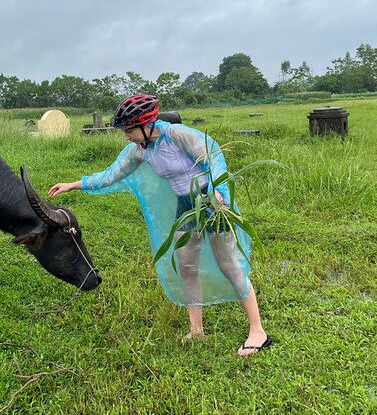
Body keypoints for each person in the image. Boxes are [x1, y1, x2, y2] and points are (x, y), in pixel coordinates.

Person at [49, 94, 271, 355]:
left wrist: (219, 190)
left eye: (129, 130)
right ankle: (196, 330)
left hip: (211, 202)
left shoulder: (177, 135)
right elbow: (111, 175)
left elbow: (214, 156)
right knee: (187, 267)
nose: (126, 137)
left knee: (229, 265)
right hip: (185, 207)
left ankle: (258, 331)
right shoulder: (140, 150)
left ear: (146, 124)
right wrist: (74, 184)